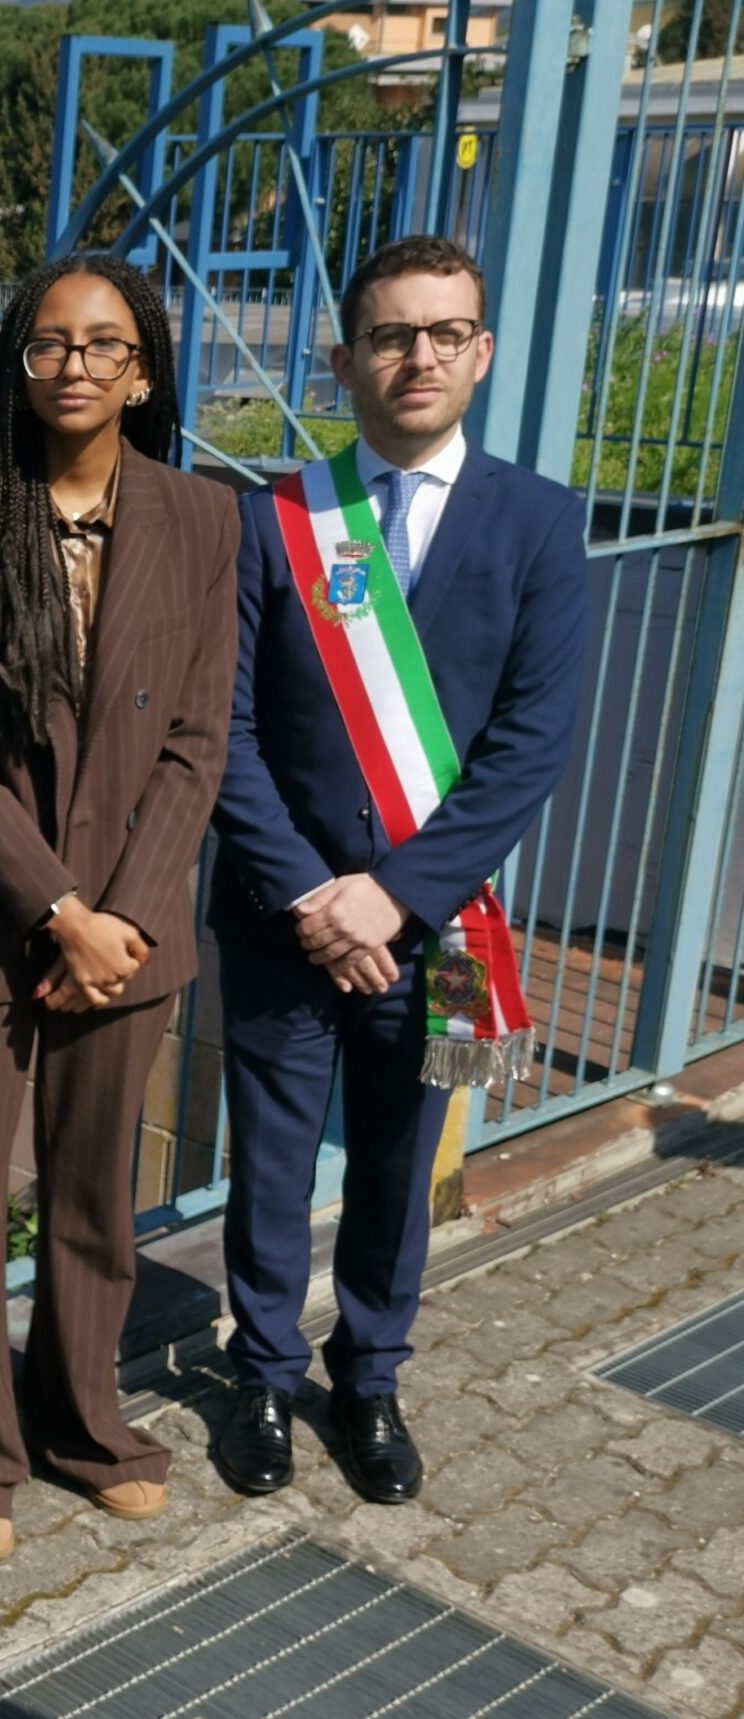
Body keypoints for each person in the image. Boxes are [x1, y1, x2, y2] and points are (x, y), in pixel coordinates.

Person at [211, 234, 591, 1505]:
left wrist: (394, 895)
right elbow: (226, 730)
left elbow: (530, 744)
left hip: (444, 924)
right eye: (389, 334)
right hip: (281, 914)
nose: (416, 355)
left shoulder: (540, 521)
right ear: (344, 360)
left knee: (400, 1160)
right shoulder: (273, 517)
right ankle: (263, 1374)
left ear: (480, 353)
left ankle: (368, 1375)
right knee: (270, 1162)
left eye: (443, 333)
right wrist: (314, 892)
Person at [0, 252, 240, 1564]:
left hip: (130, 931)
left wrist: (122, 915)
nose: (73, 363)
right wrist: (59, 908)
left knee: (92, 1195)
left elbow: (198, 739)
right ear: (17, 366)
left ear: (141, 371)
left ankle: (83, 1424)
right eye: (47, 343)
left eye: (102, 343)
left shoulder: (204, 520)